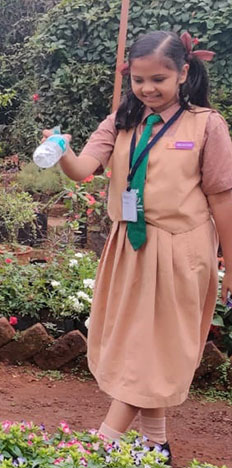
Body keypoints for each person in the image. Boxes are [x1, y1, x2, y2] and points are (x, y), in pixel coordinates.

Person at [47, 31, 232, 463]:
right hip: (129, 247)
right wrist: (61, 149)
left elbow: (223, 200)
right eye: (140, 80)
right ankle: (156, 444)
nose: (148, 89)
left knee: (150, 347)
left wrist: (231, 264)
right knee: (144, 345)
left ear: (184, 73)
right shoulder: (121, 121)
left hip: (180, 251)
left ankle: (100, 445)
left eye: (160, 79)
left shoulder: (207, 125)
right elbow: (82, 170)